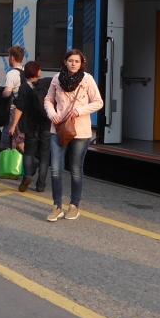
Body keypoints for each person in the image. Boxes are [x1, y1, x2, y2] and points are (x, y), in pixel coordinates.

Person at [43, 49, 103, 222]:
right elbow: (48, 99)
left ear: (81, 63)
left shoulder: (87, 79)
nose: (73, 64)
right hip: (58, 129)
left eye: (77, 61)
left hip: (80, 131)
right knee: (55, 169)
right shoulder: (56, 79)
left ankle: (74, 206)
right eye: (70, 60)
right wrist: (51, 113)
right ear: (65, 62)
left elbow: (98, 102)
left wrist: (79, 111)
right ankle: (57, 206)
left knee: (76, 169)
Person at [10, 61, 51, 193]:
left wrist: (13, 125)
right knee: (45, 155)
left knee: (29, 153)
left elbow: (19, 108)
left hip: (30, 125)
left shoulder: (23, 88)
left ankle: (27, 176)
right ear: (37, 72)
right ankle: (41, 185)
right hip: (46, 125)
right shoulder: (46, 83)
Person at [0, 45, 25, 148]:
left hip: (13, 111)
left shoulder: (12, 74)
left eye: (9, 56)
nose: (8, 58)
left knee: (7, 137)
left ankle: (7, 155)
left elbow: (8, 93)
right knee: (20, 137)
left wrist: (0, 92)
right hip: (23, 110)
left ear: (12, 58)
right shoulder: (25, 71)